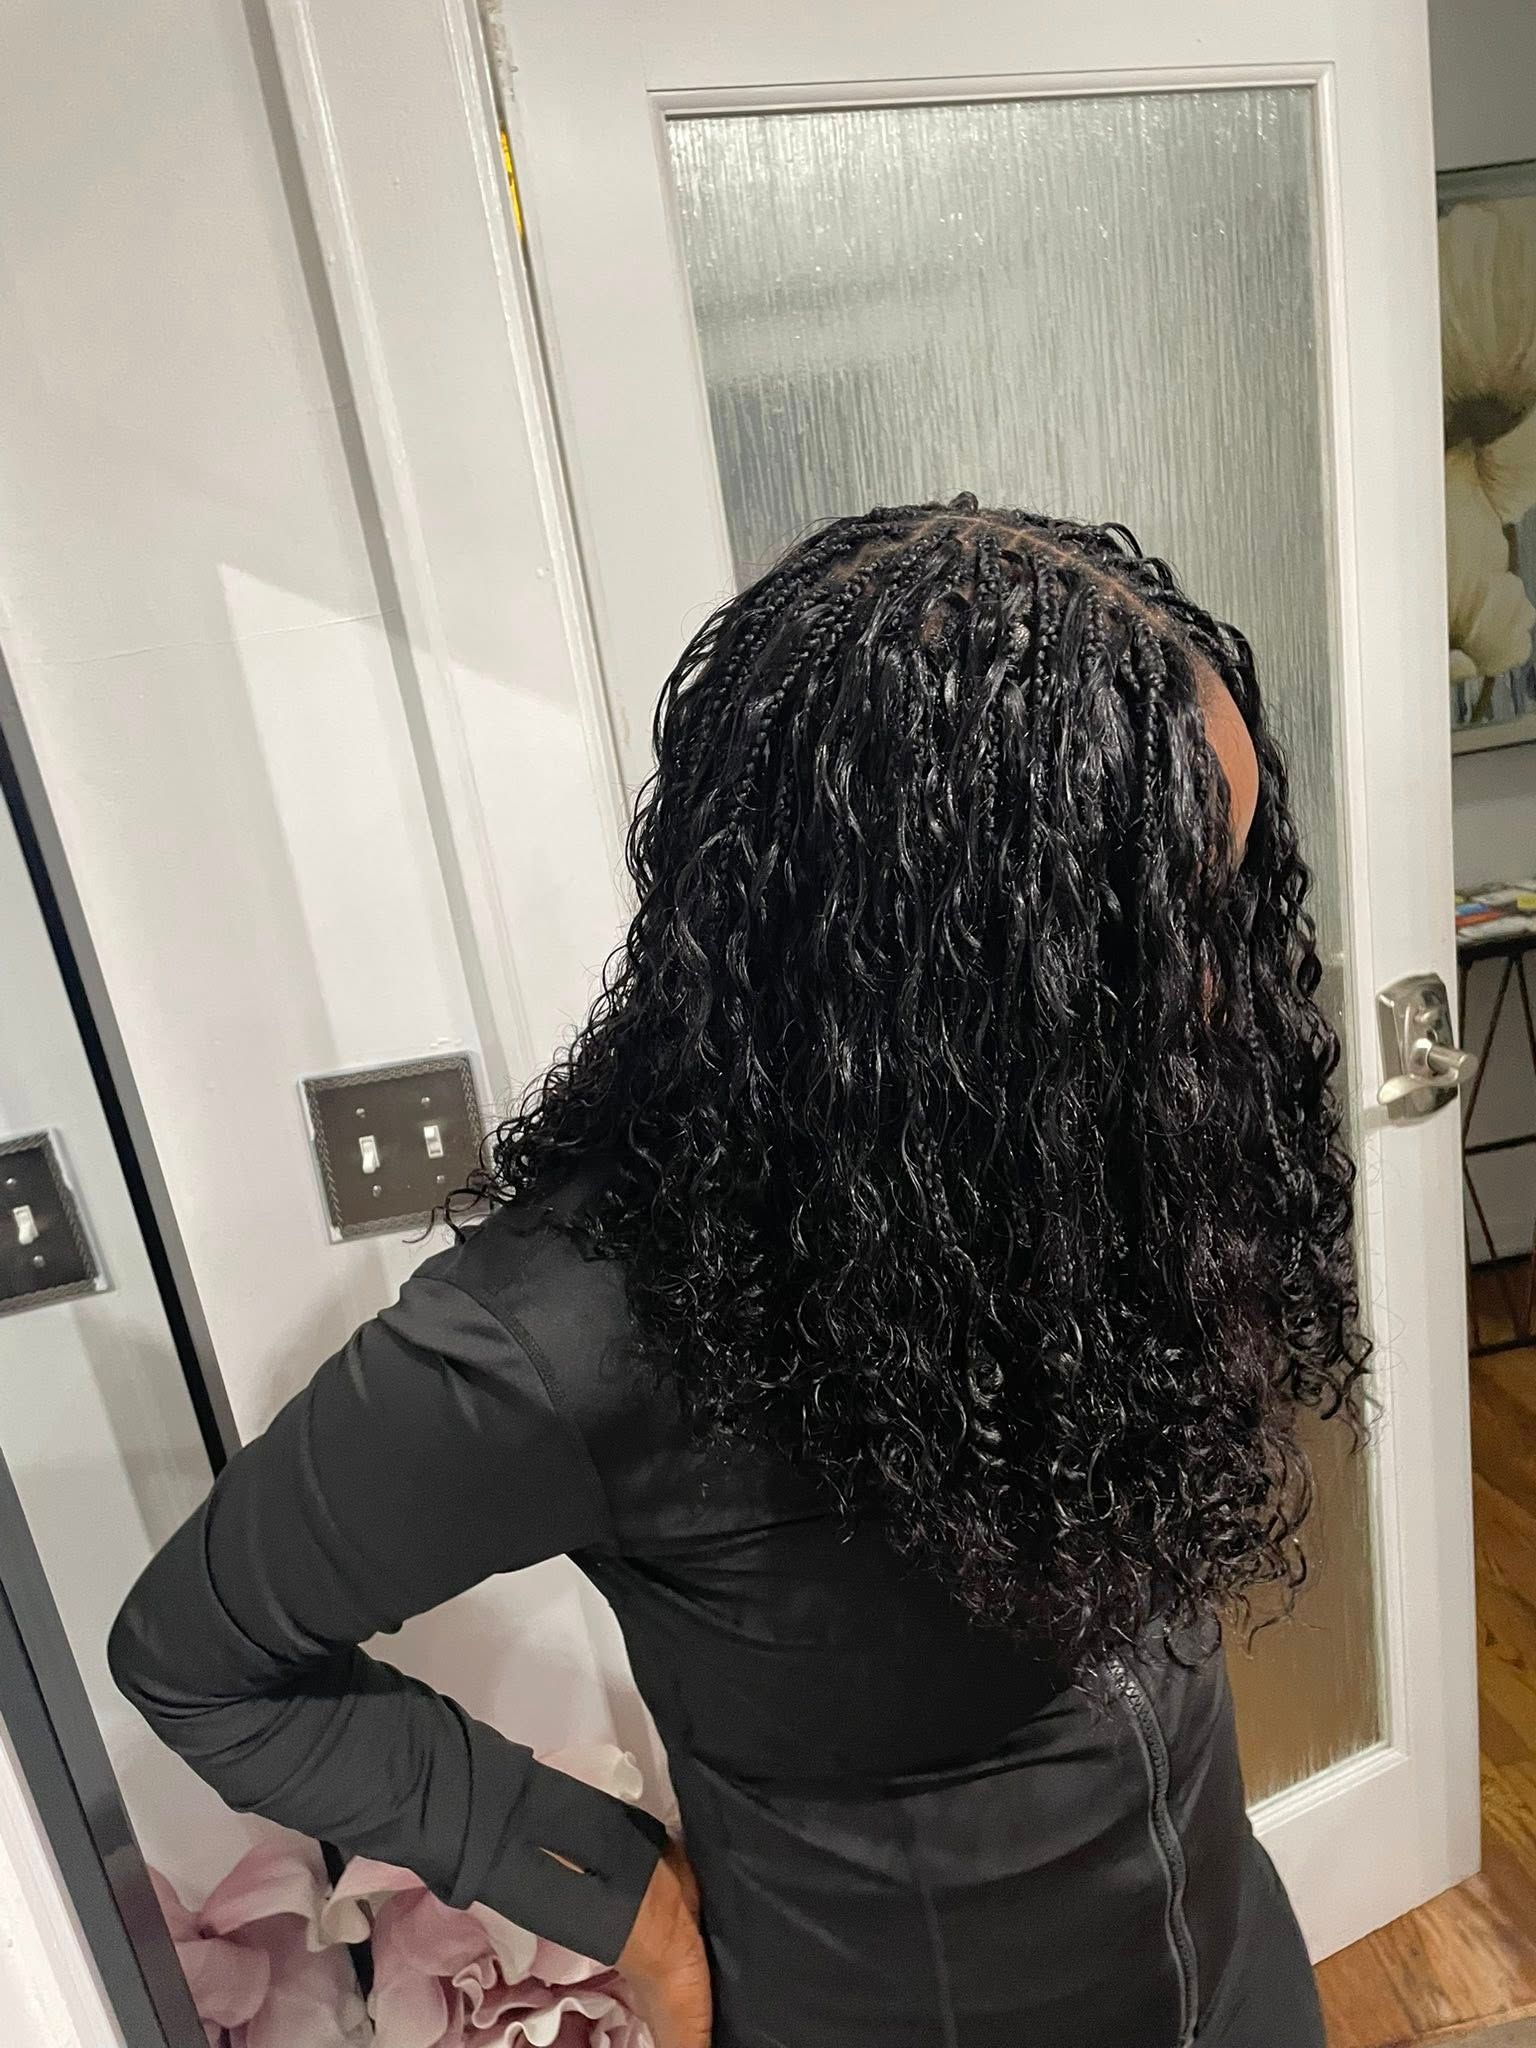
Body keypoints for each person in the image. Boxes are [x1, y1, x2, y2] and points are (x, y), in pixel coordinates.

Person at [109, 496, 1366, 2048]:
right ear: (941, 959)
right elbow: (198, 1660)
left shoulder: (1088, 1161)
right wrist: (612, 1897)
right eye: (1150, 933)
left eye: (1228, 901)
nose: (1223, 993)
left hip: (1237, 1983)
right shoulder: (569, 1330)